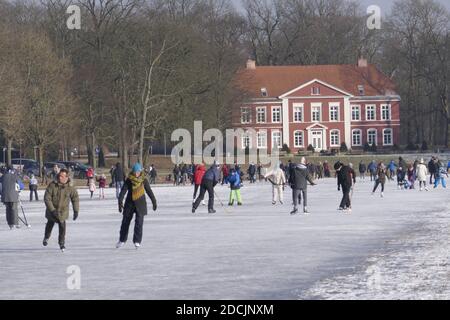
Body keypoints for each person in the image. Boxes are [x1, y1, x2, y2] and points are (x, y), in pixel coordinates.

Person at [117, 163, 157, 249]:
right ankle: (122, 240)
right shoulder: (129, 180)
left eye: (138, 172)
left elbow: (149, 191)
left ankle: (137, 241)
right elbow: (123, 191)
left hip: (141, 204)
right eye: (135, 172)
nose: (136, 174)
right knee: (125, 222)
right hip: (129, 203)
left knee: (139, 223)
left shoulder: (143, 180)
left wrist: (154, 201)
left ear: (140, 171)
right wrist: (120, 202)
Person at [43, 169, 79, 252]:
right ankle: (46, 237)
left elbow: (75, 198)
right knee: (50, 224)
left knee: (62, 226)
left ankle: (61, 243)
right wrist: (52, 210)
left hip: (63, 211)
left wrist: (76, 211)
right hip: (52, 209)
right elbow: (47, 198)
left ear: (67, 177)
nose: (60, 178)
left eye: (63, 176)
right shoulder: (52, 185)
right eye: (60, 176)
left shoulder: (70, 187)